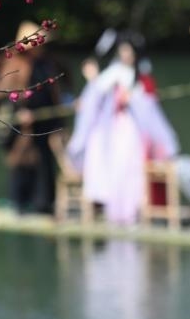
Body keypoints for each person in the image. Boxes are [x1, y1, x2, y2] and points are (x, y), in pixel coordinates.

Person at [66, 34, 179, 225]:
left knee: (131, 167)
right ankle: (118, 210)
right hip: (115, 129)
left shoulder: (141, 78)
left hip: (132, 130)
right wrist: (93, 80)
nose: (126, 54)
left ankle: (134, 209)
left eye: (129, 50)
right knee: (118, 166)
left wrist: (132, 99)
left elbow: (148, 109)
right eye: (123, 50)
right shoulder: (114, 72)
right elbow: (94, 98)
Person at [0, 21, 63, 214]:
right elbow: (1, 96)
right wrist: (19, 112)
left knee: (45, 163)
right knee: (22, 163)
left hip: (45, 123)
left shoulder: (46, 63)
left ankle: (44, 204)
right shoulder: (15, 65)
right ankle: (19, 203)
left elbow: (54, 92)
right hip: (23, 128)